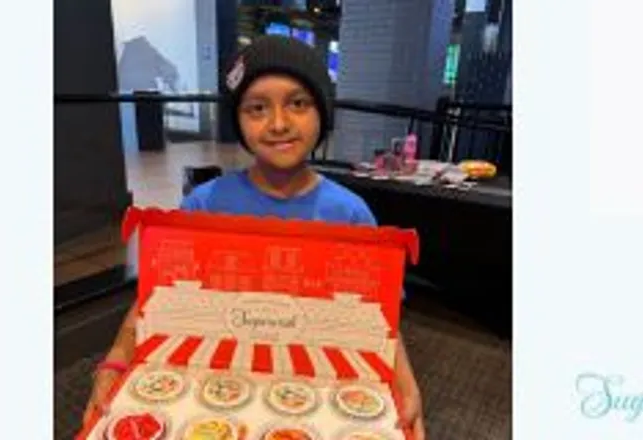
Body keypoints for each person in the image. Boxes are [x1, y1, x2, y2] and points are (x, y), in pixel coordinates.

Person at [83, 35, 426, 440]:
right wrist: (117, 358)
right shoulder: (203, 204)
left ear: (322, 112)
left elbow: (380, 320)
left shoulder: (351, 214)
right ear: (239, 121)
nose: (279, 123)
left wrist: (405, 383)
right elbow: (157, 298)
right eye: (257, 108)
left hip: (319, 393)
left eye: (298, 103)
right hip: (217, 386)